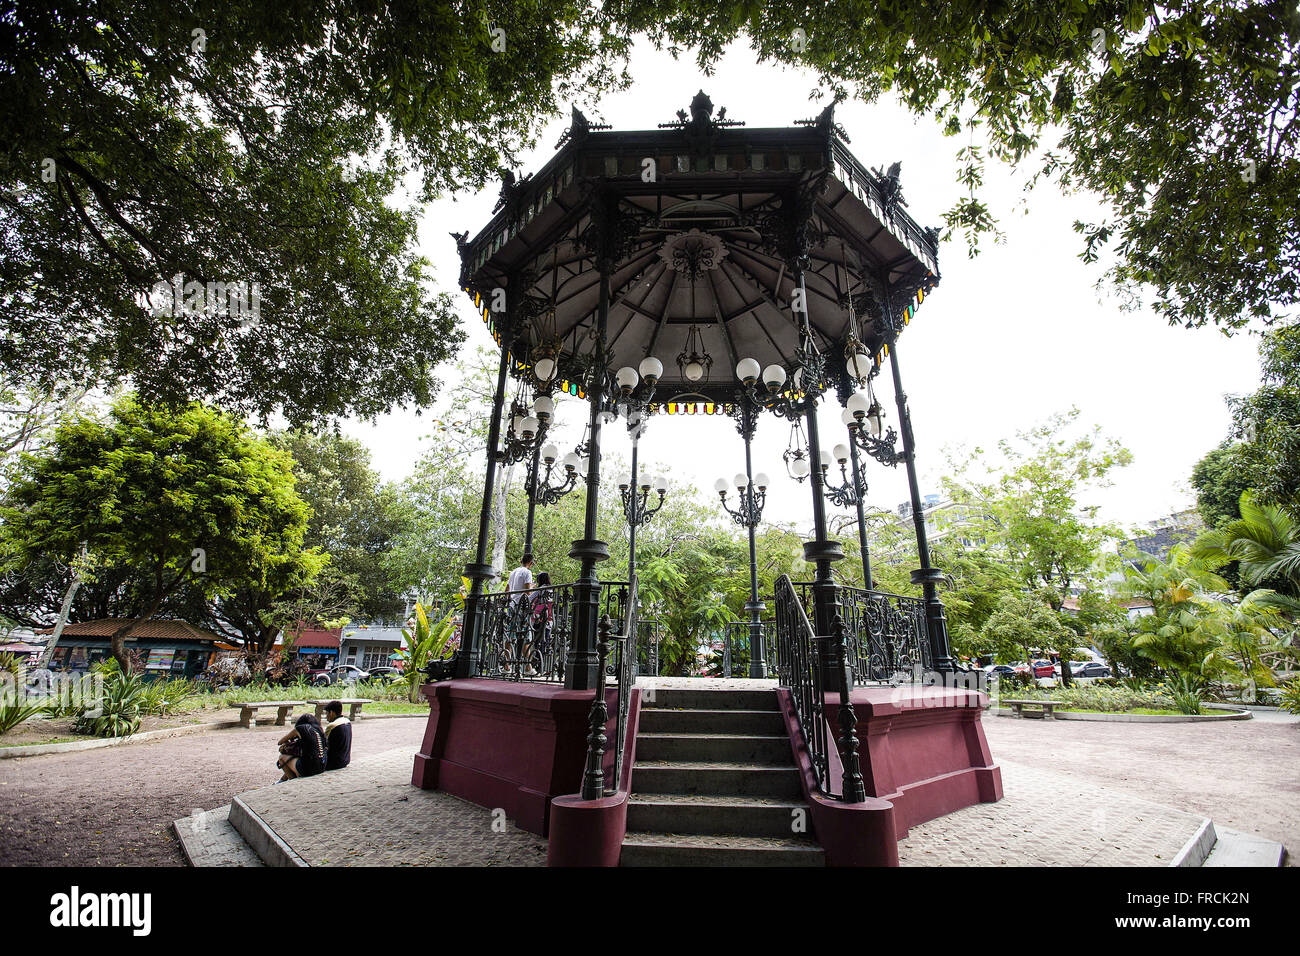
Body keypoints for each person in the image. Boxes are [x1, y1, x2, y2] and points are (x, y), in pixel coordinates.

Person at [276, 713, 326, 781]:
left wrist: (288, 743)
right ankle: (283, 780)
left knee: (282, 758)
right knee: (294, 760)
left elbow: (280, 742)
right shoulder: (318, 731)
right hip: (321, 767)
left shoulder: (300, 728)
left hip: (308, 769)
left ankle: (294, 781)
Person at [322, 700, 352, 771]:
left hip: (333, 764)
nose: (326, 717)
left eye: (327, 713)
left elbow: (323, 743)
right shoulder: (347, 722)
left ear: (331, 713)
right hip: (345, 760)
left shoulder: (332, 725)